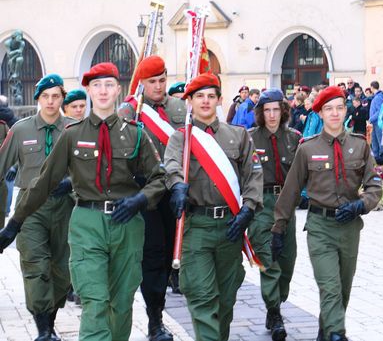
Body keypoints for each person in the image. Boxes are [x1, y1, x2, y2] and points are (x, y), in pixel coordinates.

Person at [0, 63, 167, 340]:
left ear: (118, 90)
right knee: (94, 298)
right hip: (87, 222)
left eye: (109, 85)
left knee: (122, 301)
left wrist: (140, 200)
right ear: (88, 90)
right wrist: (14, 224)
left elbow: (159, 178)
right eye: (97, 85)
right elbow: (43, 184)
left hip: (127, 225)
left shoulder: (135, 133)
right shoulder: (72, 134)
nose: (103, 91)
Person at [271, 86, 382, 341]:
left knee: (342, 289)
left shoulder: (359, 145)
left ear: (345, 111)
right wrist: (278, 228)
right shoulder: (307, 148)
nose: (334, 114)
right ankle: (336, 334)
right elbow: (290, 191)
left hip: (350, 227)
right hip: (320, 226)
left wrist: (360, 204)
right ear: (320, 113)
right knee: (329, 287)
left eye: (339, 108)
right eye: (328, 109)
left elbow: (375, 185)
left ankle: (326, 331)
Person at [164, 73, 263, 341]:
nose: (205, 102)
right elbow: (171, 166)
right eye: (199, 96)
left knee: (225, 300)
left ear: (219, 100)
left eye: (211, 96)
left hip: (230, 226)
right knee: (202, 298)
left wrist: (249, 209)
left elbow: (253, 174)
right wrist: (177, 186)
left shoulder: (238, 136)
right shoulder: (181, 138)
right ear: (190, 102)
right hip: (197, 227)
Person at [0, 74, 76, 341]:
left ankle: (50, 322)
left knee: (61, 270)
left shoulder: (74, 129)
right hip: (29, 209)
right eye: (46, 96)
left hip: (65, 207)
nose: (51, 101)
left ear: (62, 99)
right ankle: (44, 330)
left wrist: (70, 184)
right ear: (38, 99)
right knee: (35, 266)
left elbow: (86, 171)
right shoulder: (20, 130)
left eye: (56, 96)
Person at [118, 55, 187, 341]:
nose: (158, 86)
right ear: (141, 83)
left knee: (177, 253)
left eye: (162, 80)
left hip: (175, 190)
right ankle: (155, 320)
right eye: (152, 82)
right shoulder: (129, 112)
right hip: (146, 193)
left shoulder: (181, 107)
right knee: (154, 257)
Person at [248, 88, 301, 341]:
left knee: (287, 260)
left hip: (286, 204)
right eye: (267, 110)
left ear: (283, 111)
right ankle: (275, 312)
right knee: (268, 260)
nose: (271, 115)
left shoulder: (294, 139)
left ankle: (276, 302)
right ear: (260, 113)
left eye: (276, 110)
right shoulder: (248, 139)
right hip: (261, 203)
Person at [368, 81, 383, 159]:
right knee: (374, 142)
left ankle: (381, 159)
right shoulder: (376, 96)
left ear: (372, 87)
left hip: (378, 123)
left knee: (379, 142)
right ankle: (377, 159)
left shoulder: (378, 97)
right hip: (375, 123)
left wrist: (371, 119)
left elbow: (379, 111)